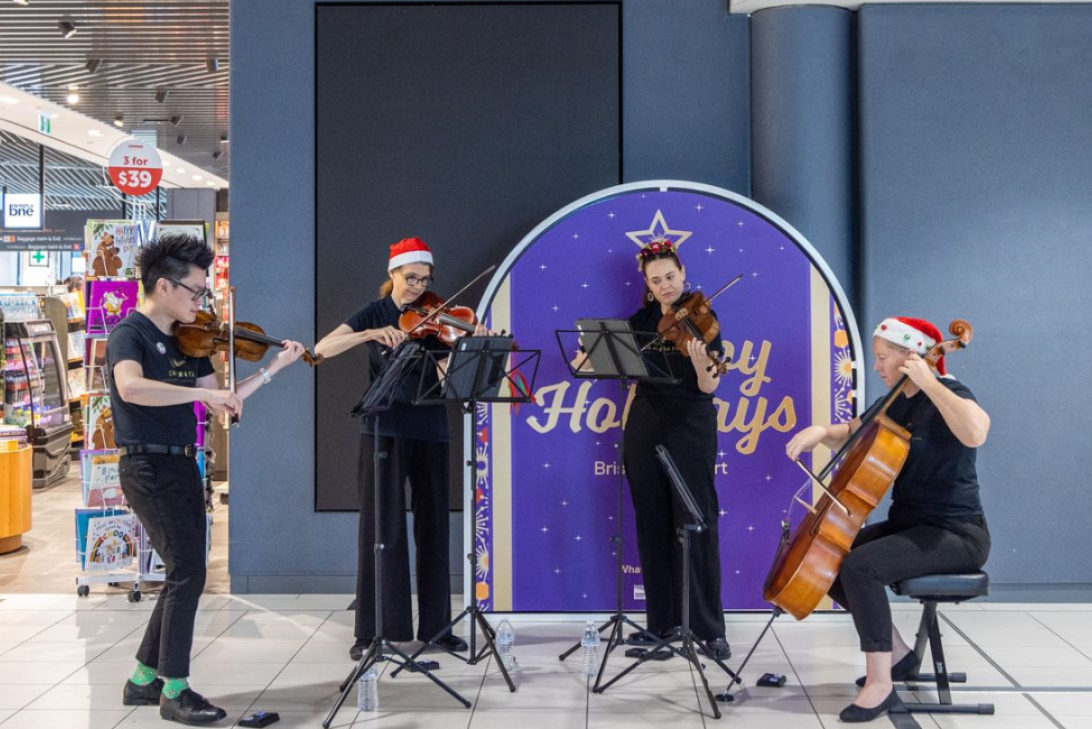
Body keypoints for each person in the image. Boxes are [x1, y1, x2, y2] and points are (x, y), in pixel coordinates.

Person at [109, 232, 306, 724]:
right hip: (146, 465)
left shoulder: (189, 338)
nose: (201, 301)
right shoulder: (129, 335)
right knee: (188, 573)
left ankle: (142, 681)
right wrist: (200, 398)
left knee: (185, 570)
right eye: (195, 290)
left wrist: (275, 369)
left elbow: (224, 403)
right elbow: (131, 388)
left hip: (182, 464)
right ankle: (175, 691)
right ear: (162, 286)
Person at [785, 316, 991, 723]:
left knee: (862, 566)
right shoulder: (897, 399)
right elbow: (854, 429)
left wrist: (930, 381)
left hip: (957, 533)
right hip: (911, 523)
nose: (876, 366)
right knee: (834, 558)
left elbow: (976, 432)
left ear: (910, 357)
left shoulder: (950, 392)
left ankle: (880, 685)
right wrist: (818, 431)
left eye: (882, 357)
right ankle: (897, 656)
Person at [315, 237, 472, 660]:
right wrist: (368, 333)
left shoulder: (439, 316)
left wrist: (462, 348)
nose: (418, 287)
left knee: (435, 528)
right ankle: (374, 630)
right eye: (410, 278)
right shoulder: (376, 311)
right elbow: (320, 350)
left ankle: (438, 628)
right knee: (380, 530)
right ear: (393, 274)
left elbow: (446, 381)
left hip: (431, 428)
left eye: (424, 279)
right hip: (382, 427)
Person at [577, 237, 730, 659]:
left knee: (697, 523)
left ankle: (709, 629)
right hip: (645, 425)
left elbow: (709, 385)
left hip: (690, 426)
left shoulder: (705, 319)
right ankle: (661, 626)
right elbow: (607, 366)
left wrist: (702, 362)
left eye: (670, 277)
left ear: (683, 274)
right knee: (652, 524)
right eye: (656, 280)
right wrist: (587, 357)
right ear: (646, 283)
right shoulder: (640, 321)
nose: (665, 285)